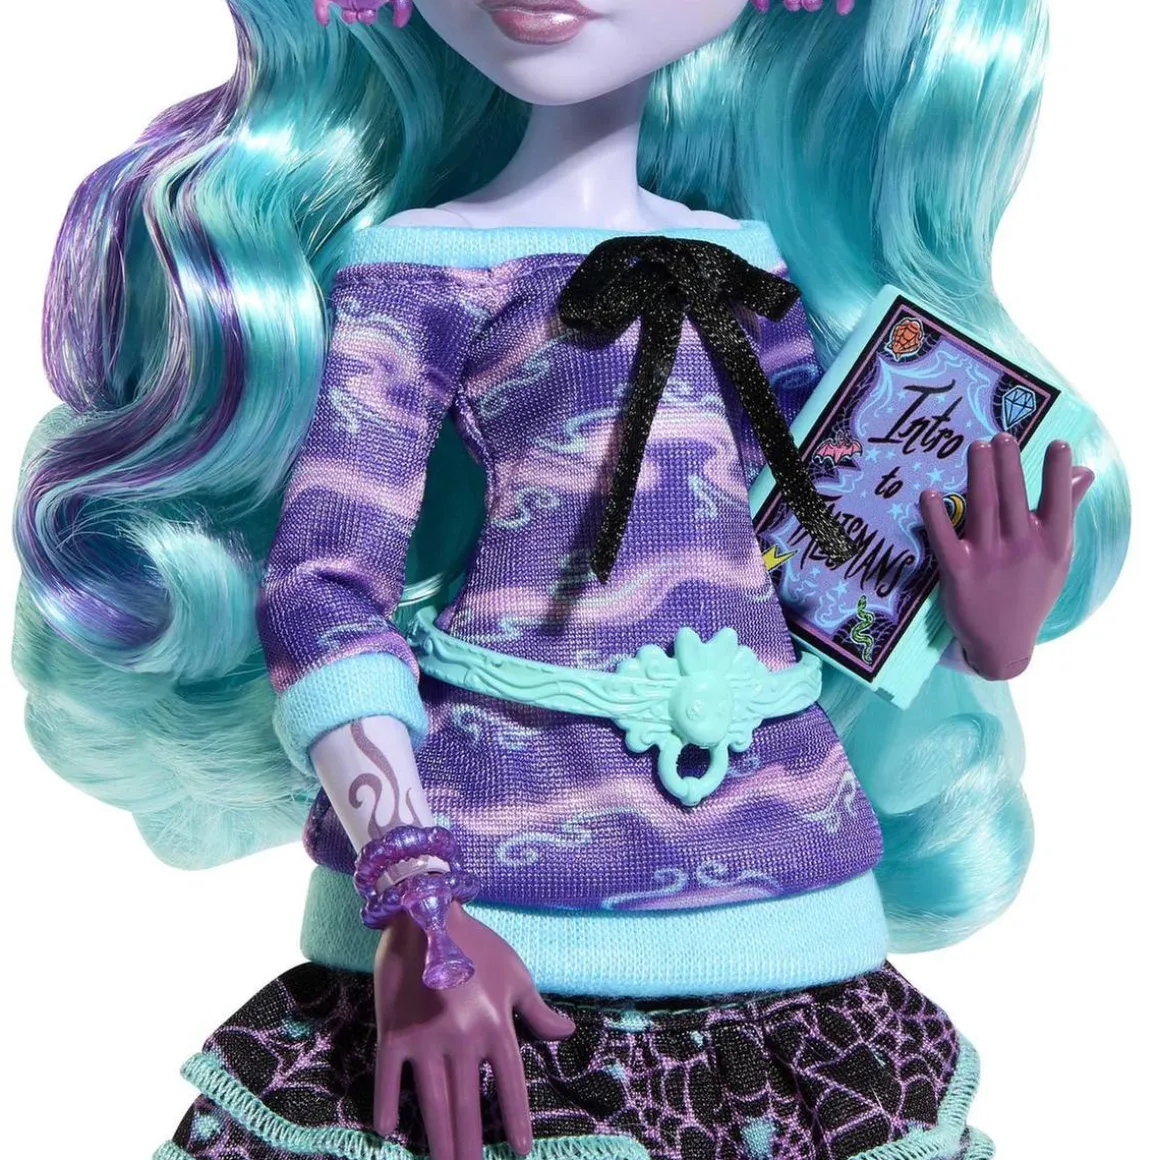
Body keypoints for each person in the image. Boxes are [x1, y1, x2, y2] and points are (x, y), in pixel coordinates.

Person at [12, 3, 1129, 1159]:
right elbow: (323, 594)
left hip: (781, 907)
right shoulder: (424, 271)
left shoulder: (747, 265)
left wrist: (974, 635)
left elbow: (795, 552)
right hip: (490, 904)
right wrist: (415, 893)